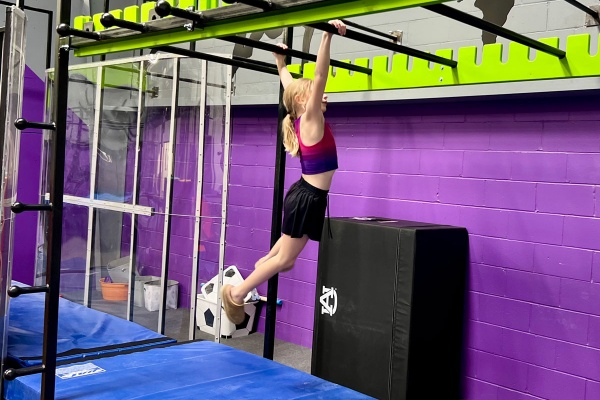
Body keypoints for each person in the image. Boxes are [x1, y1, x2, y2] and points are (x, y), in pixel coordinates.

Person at [222, 20, 346, 324]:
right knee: (286, 260)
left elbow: (292, 86)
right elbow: (319, 75)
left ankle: (263, 263)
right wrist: (326, 36)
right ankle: (236, 294)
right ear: (305, 100)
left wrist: (281, 64)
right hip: (307, 197)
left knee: (285, 262)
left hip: (309, 196)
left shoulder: (302, 116)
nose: (324, 95)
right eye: (317, 93)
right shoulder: (310, 118)